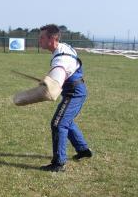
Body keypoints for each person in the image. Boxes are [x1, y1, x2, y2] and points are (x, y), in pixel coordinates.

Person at [13, 24, 92, 172]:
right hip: (75, 89)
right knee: (66, 120)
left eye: (42, 38)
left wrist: (44, 87)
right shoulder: (63, 47)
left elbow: (52, 90)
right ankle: (83, 150)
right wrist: (48, 81)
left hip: (74, 93)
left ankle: (58, 163)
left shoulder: (61, 60)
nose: (39, 41)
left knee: (58, 124)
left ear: (52, 39)